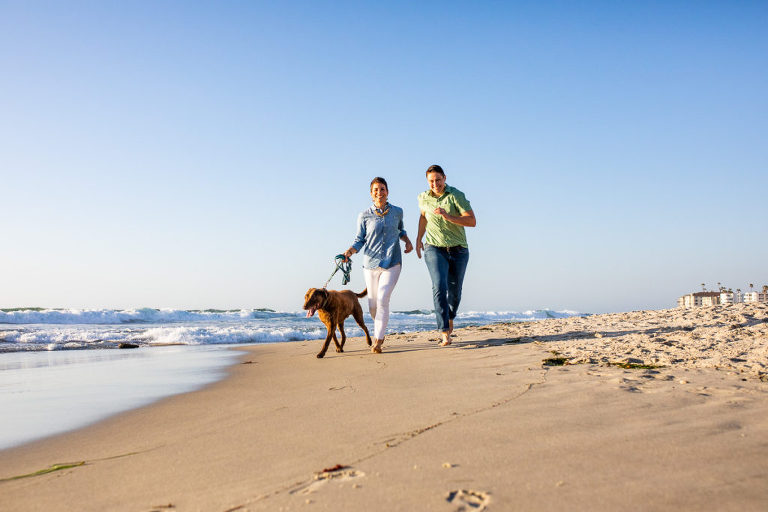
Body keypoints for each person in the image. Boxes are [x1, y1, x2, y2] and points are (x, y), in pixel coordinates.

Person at [343, 177, 413, 353]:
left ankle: (378, 340)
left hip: (392, 262)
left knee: (383, 299)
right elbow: (359, 240)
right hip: (370, 264)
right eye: (375, 190)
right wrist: (349, 252)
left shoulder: (397, 212)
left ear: (387, 192)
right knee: (373, 306)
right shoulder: (364, 215)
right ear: (371, 193)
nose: (379, 193)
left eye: (382, 189)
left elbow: (401, 231)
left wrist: (408, 241)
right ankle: (379, 327)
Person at [415, 164, 476, 346]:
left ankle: (450, 317)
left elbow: (472, 221)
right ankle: (444, 332)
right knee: (439, 286)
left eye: (438, 180)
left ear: (445, 178)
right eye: (431, 181)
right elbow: (423, 216)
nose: (435, 184)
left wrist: (449, 217)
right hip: (434, 248)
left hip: (458, 250)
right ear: (427, 181)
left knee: (455, 292)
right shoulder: (423, 198)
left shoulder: (456, 195)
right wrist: (419, 238)